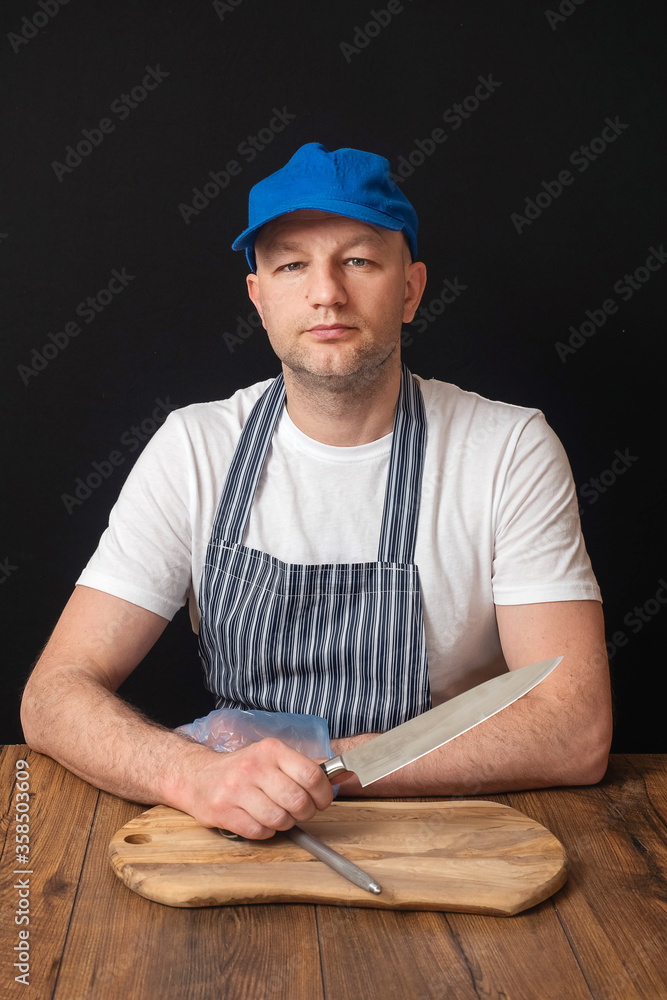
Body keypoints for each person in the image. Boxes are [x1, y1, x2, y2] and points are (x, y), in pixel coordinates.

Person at [21, 143, 613, 839]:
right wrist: (194, 775)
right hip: (237, 827)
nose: (326, 292)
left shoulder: (507, 450)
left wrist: (325, 767)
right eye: (292, 264)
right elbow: (53, 695)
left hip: (447, 836)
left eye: (358, 260)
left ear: (411, 289)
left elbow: (575, 729)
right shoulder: (194, 449)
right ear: (259, 297)